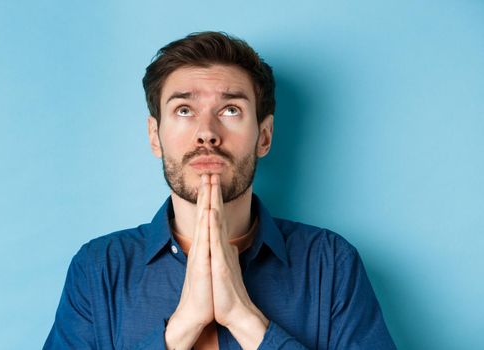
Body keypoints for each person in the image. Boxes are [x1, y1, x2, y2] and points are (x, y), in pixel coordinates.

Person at [44, 31, 396, 349]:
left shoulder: (330, 263)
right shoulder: (99, 268)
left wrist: (245, 319)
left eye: (230, 110)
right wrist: (182, 327)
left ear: (265, 136)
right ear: (155, 136)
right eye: (184, 110)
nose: (207, 133)